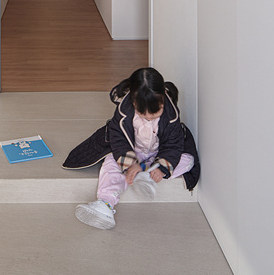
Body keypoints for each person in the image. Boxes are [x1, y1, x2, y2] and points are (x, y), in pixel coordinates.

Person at [63, 67, 199, 230]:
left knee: (188, 160)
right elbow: (118, 139)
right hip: (134, 151)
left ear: (163, 98)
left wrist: (162, 167)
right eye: (143, 113)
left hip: (159, 153)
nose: (149, 117)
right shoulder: (124, 112)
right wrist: (130, 164)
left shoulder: (171, 116)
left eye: (155, 112)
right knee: (110, 161)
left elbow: (173, 145)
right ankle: (105, 203)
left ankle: (147, 175)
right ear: (134, 102)